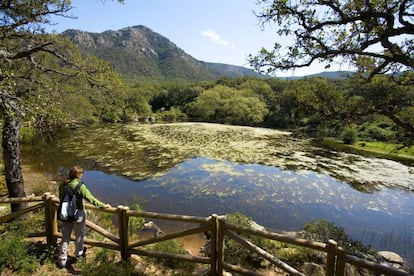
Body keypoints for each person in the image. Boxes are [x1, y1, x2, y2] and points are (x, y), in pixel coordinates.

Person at [57, 166, 111, 268]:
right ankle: (78, 254)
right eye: (81, 174)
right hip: (78, 214)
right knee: (79, 236)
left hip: (65, 214)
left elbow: (61, 199)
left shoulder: (63, 185)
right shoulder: (80, 186)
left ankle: (62, 260)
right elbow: (91, 199)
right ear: (79, 175)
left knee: (65, 237)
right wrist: (103, 205)